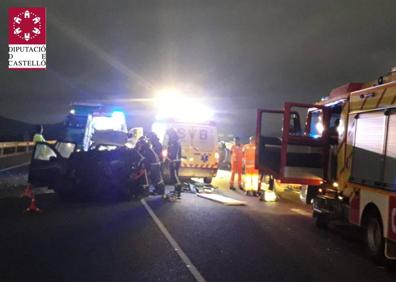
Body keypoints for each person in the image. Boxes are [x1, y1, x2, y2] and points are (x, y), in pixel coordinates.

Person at [165, 128, 182, 199]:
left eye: (169, 134)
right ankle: (176, 190)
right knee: (173, 176)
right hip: (173, 160)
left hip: (175, 161)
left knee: (174, 176)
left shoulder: (175, 141)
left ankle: (178, 191)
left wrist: (171, 159)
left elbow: (175, 152)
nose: (168, 135)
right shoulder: (174, 140)